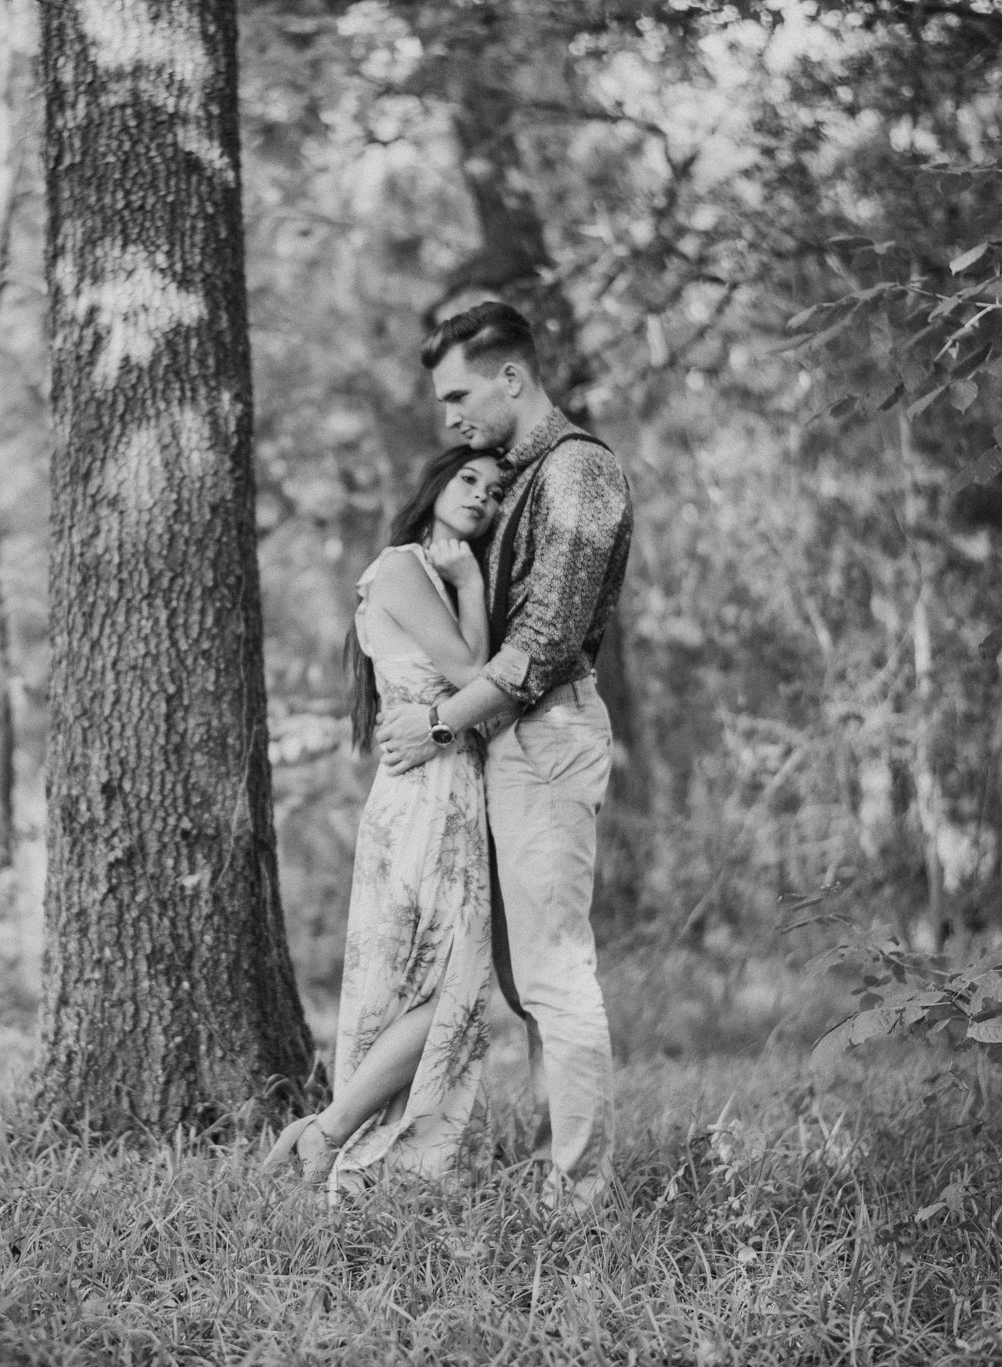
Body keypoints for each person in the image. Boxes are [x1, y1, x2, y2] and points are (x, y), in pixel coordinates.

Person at [376, 301, 634, 1210]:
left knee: (557, 973)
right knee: (523, 978)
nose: (450, 418)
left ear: (511, 377)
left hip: (547, 732)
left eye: (458, 394)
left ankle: (581, 1196)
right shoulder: (516, 480)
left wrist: (443, 722)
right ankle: (556, 1163)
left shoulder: (579, 474)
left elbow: (545, 645)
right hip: (505, 737)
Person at [265, 446, 508, 1192]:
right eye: (469, 480)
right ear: (434, 484)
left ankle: (350, 1145)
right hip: (425, 797)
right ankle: (331, 1132)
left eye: (496, 492)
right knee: (448, 988)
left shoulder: (429, 576)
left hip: (449, 793)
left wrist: (465, 579)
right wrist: (471, 580)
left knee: (435, 986)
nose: (483, 497)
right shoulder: (404, 566)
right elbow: (477, 676)